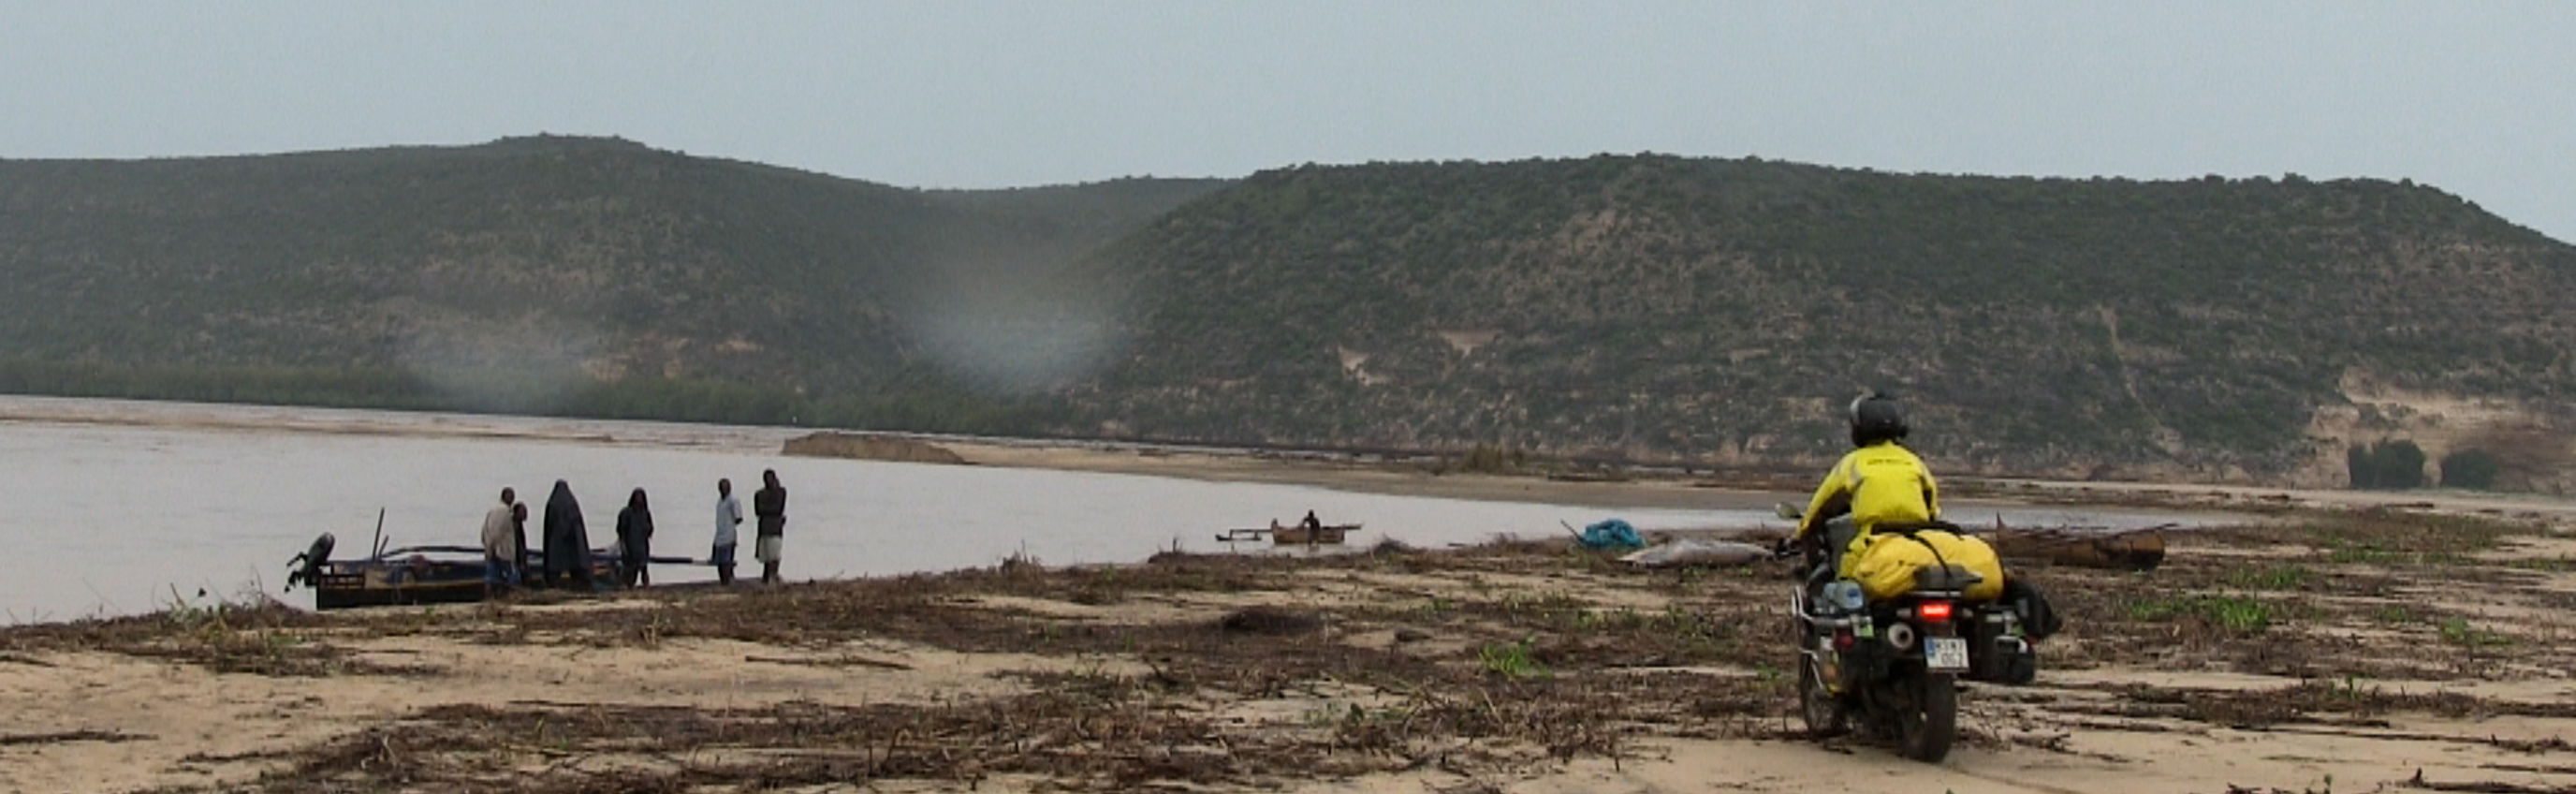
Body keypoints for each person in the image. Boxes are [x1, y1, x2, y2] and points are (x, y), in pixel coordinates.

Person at [1782, 393, 1941, 579]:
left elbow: (1818, 508)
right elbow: (1932, 510)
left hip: (1870, 543)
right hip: (1917, 546)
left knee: (1841, 588)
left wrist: (1797, 537)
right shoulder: (1915, 462)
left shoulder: (1852, 464)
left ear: (1858, 429)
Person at [543, 479, 596, 589]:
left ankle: (554, 586)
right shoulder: (572, 503)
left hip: (556, 542)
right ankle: (580, 585)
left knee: (555, 566)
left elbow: (549, 524)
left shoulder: (552, 503)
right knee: (576, 564)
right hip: (573, 542)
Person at [480, 487, 520, 594]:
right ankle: (512, 597)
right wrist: (493, 546)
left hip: (491, 549)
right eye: (511, 496)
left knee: (491, 577)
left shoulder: (492, 510)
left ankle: (491, 598)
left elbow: (484, 530)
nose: (512, 499)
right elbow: (498, 531)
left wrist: (487, 546)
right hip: (503, 550)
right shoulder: (505, 512)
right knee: (513, 576)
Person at [615, 488, 655, 588]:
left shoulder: (645, 513)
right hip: (630, 545)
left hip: (642, 546)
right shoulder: (626, 513)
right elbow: (621, 530)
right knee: (629, 569)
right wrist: (623, 544)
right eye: (637, 497)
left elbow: (650, 528)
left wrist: (648, 532)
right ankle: (628, 585)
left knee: (643, 568)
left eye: (641, 497)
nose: (639, 500)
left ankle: (645, 586)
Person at [753, 469, 786, 584]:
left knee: (774, 556)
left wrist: (765, 510)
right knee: (766, 557)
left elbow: (778, 509)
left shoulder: (780, 492)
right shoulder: (760, 494)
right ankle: (767, 578)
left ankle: (772, 577)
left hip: (774, 528)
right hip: (765, 528)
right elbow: (758, 511)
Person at [712, 478, 743, 585]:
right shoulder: (719, 502)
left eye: (725, 487)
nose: (723, 489)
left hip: (729, 535)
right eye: (721, 487)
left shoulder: (733, 500)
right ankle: (724, 581)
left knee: (726, 561)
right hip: (719, 535)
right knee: (720, 563)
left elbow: (739, 518)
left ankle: (727, 582)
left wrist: (730, 526)